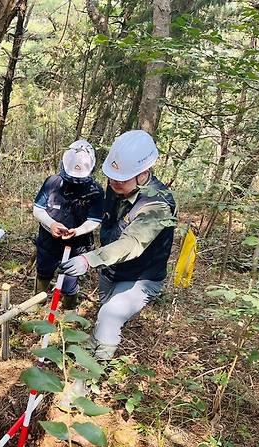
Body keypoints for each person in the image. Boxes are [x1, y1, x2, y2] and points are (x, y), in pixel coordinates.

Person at [58, 130, 177, 360]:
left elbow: (131, 243)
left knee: (111, 314)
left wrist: (88, 259)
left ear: (143, 173)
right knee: (105, 313)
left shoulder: (158, 205)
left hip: (142, 277)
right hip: (112, 270)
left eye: (120, 179)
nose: (113, 183)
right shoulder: (118, 184)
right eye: (111, 177)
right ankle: (95, 345)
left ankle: (91, 372)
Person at [32, 140, 104, 309]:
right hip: (48, 242)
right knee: (43, 274)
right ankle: (37, 307)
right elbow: (38, 209)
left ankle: (68, 313)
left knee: (69, 284)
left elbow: (95, 219)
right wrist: (51, 224)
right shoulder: (52, 182)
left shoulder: (96, 191)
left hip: (76, 246)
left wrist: (78, 231)